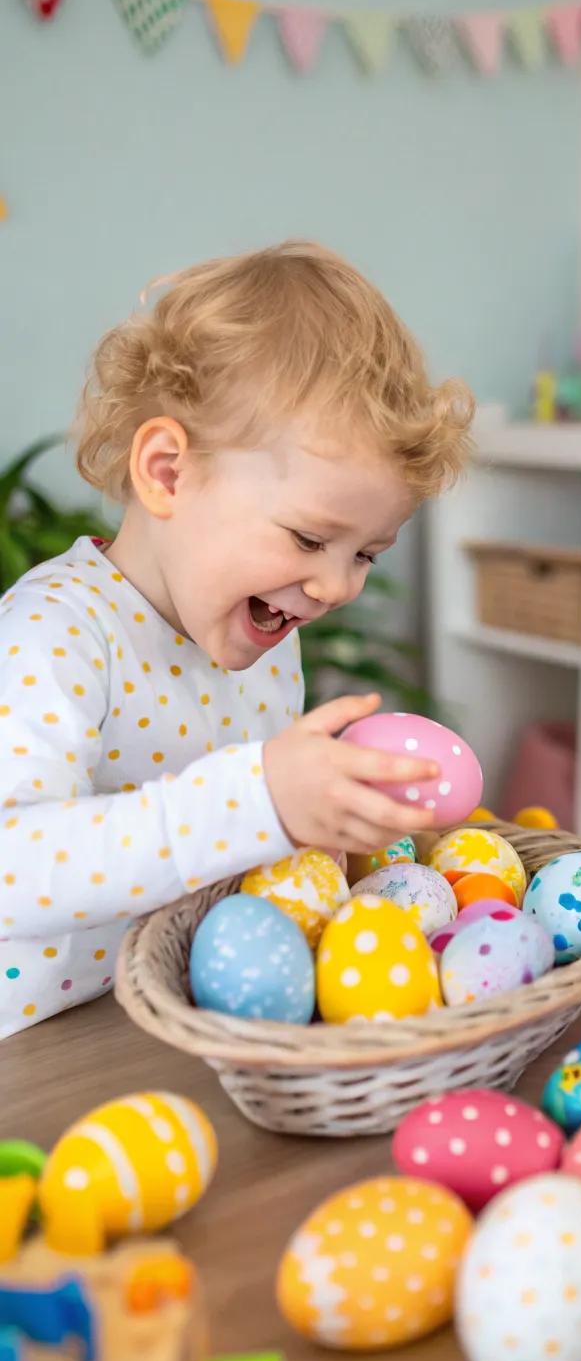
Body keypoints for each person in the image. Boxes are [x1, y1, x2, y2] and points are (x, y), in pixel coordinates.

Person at [0, 240, 472, 1036]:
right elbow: (12, 865)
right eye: (308, 537)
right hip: (38, 1051)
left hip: (171, 1026)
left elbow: (251, 850)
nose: (336, 587)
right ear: (168, 474)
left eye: (365, 554)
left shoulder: (262, 635)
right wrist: (252, 800)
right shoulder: (57, 633)